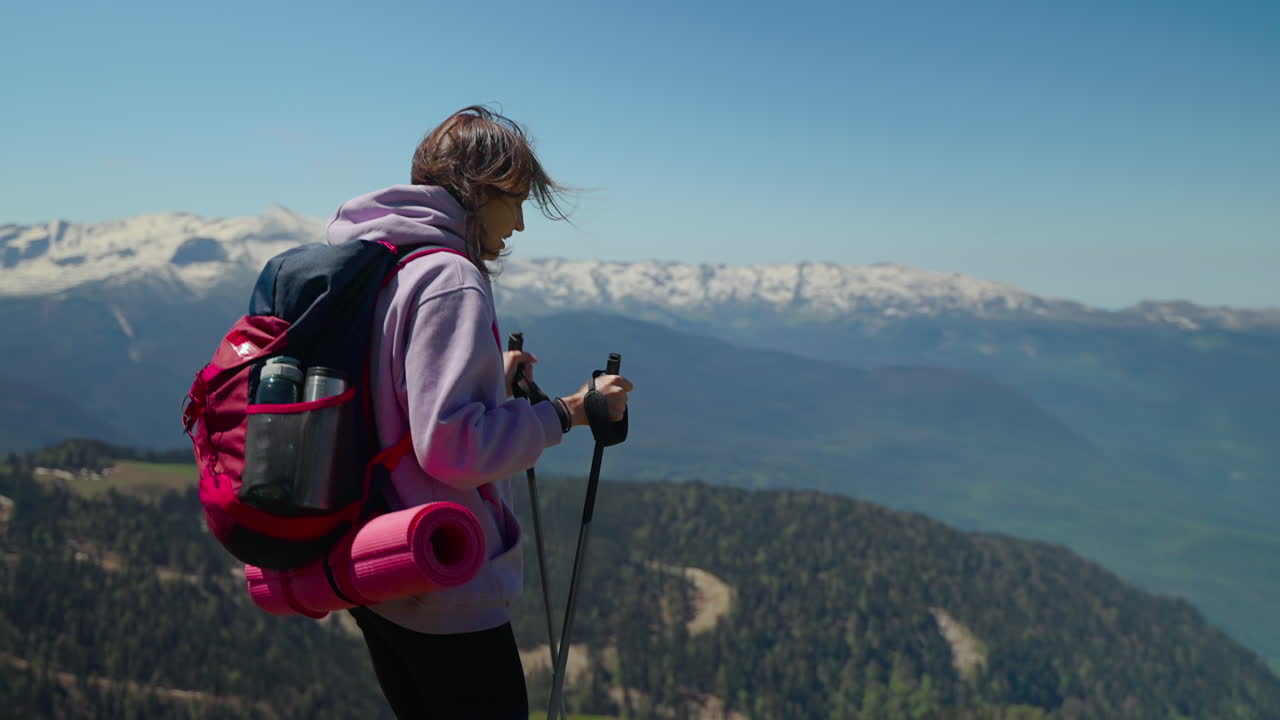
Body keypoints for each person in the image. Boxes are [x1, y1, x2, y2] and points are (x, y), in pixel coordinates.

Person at [323, 105, 633, 719]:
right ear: (473, 191)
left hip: (378, 560)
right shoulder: (451, 278)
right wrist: (570, 413)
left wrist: (491, 380)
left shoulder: (382, 259)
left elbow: (396, 391)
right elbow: (451, 449)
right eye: (512, 200)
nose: (518, 223)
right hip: (444, 577)